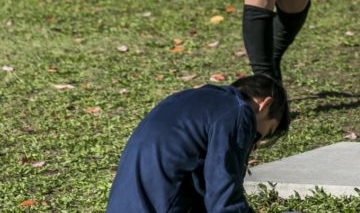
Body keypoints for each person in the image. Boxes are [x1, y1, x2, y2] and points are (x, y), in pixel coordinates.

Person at [106, 75, 290, 212]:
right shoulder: (238, 111)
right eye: (258, 135)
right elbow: (223, 198)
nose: (253, 144)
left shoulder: (185, 98)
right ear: (265, 104)